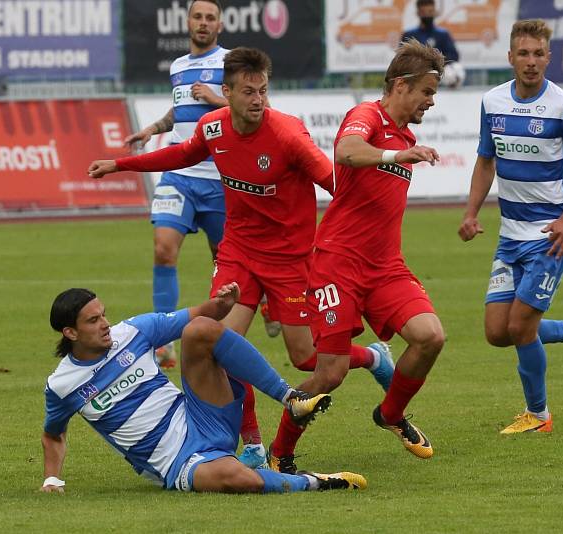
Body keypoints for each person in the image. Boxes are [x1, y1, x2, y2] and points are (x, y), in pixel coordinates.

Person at [88, 47, 394, 471]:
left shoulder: (288, 134)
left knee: (307, 358)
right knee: (217, 342)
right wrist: (121, 164)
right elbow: (180, 155)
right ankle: (250, 442)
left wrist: (363, 234)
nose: (257, 99)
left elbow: (335, 184)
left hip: (291, 262)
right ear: (226, 93)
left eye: (263, 90)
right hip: (239, 255)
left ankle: (374, 357)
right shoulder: (213, 127)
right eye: (248, 91)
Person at [267, 39, 447, 472]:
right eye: (426, 92)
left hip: (385, 267)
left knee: (430, 336)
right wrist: (396, 154)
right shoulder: (366, 116)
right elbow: (346, 152)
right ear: (401, 85)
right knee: (330, 373)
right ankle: (280, 452)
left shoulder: (407, 135)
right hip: (338, 265)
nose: (430, 102)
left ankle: (390, 414)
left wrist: (402, 148)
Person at [40, 283, 367, 494]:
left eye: (103, 315)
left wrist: (222, 304)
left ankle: (291, 398)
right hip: (177, 461)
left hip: (203, 415)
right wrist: (52, 479)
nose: (105, 324)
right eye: (93, 320)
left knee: (198, 330)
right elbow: (53, 434)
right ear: (70, 332)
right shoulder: (63, 385)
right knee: (240, 480)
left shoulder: (132, 332)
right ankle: (315, 482)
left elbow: (198, 315)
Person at [457, 19, 563, 434]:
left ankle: (538, 416)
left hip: (551, 236)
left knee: (521, 327)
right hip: (509, 236)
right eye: (523, 53)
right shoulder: (493, 102)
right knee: (496, 332)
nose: (531, 62)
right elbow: (486, 161)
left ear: (548, 57)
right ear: (510, 58)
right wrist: (471, 213)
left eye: (538, 54)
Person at [123, 0, 280, 370]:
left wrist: (217, 99)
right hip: (180, 174)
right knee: (163, 249)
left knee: (227, 265)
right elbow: (179, 111)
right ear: (188, 21)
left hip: (222, 177)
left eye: (211, 18)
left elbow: (262, 106)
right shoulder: (178, 66)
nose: (204, 23)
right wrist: (152, 129)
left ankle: (265, 299)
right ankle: (163, 343)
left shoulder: (231, 63)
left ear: (220, 25)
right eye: (198, 16)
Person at [401, 0, 463, 88]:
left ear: (435, 12)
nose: (427, 15)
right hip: (416, 77)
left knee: (456, 68)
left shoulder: (443, 34)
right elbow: (402, 60)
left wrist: (436, 63)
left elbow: (454, 56)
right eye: (424, 12)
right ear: (418, 13)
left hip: (440, 75)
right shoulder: (409, 35)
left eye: (430, 12)